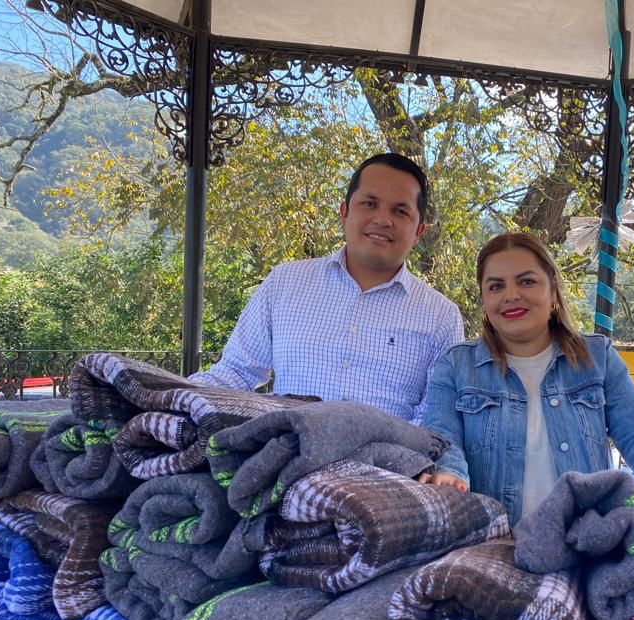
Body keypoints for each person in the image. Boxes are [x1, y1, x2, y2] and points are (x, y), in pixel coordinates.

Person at [421, 232, 634, 525]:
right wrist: (450, 473)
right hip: (494, 540)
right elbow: (442, 438)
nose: (511, 295)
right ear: (485, 299)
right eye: (496, 286)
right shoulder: (456, 365)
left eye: (527, 281)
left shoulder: (598, 358)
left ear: (552, 290)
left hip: (586, 540)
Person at [191, 153, 464, 424]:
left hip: (391, 453)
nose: (383, 219)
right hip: (285, 449)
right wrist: (174, 394)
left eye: (400, 211)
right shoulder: (285, 283)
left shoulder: (441, 316)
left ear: (418, 232)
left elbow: (435, 417)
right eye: (369, 203)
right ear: (344, 213)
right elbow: (238, 372)